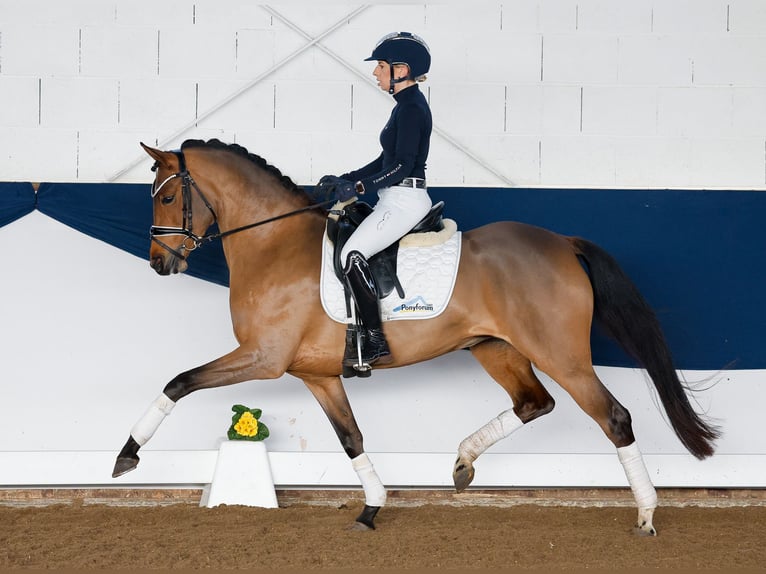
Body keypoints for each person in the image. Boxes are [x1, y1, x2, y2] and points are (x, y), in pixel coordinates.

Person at [316, 31, 434, 371]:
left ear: (402, 69)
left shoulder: (411, 108)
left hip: (404, 200)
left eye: (381, 66)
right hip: (394, 196)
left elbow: (402, 166)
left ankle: (374, 340)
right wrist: (348, 178)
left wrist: (360, 189)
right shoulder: (404, 108)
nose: (376, 73)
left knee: (353, 254)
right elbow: (385, 161)